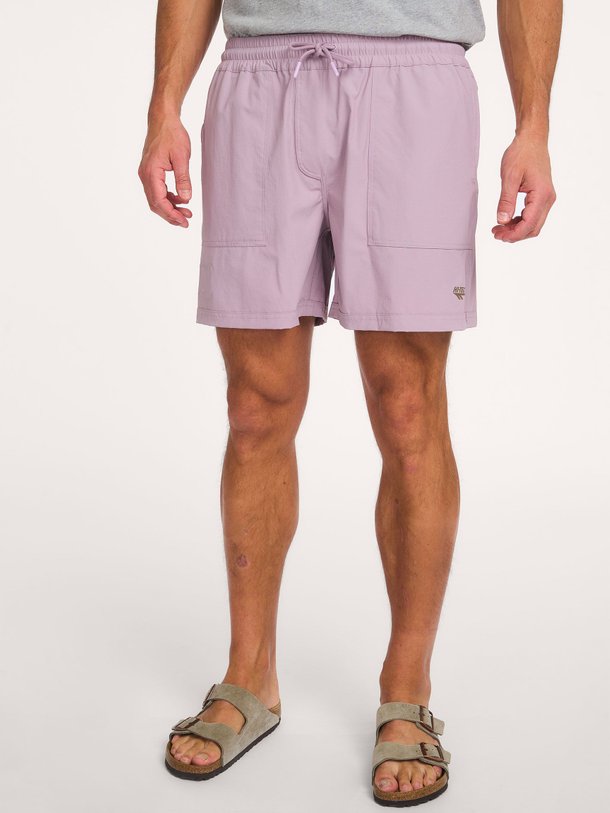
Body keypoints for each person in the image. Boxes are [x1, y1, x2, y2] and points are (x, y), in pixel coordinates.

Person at [138, 0, 561, 805]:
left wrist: (533, 123)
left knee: (407, 403)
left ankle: (407, 689)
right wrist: (164, 105)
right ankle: (249, 675)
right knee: (255, 404)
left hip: (415, 77)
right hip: (259, 76)